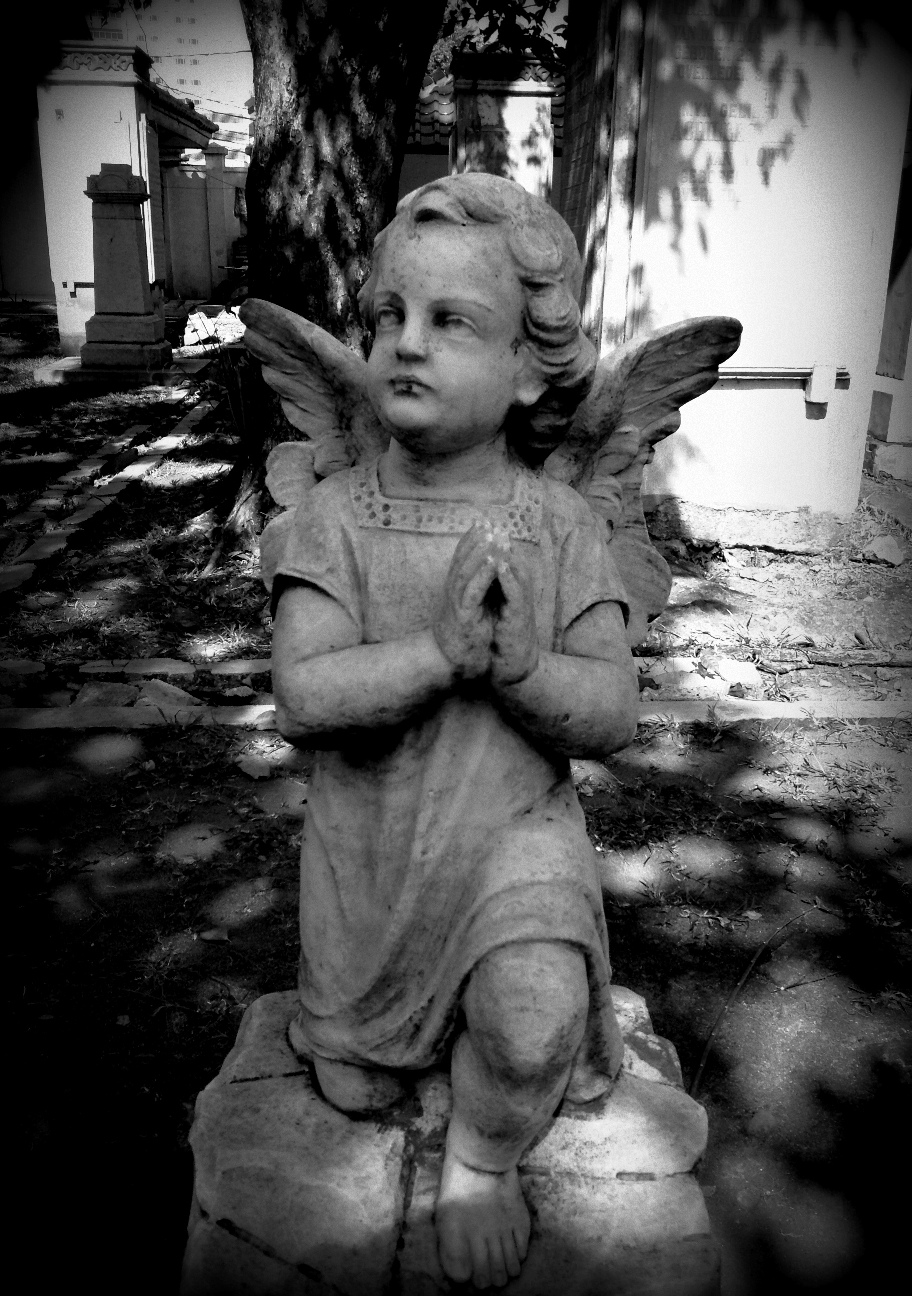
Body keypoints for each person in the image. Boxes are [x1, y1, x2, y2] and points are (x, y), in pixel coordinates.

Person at [267, 174, 640, 1290]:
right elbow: (303, 698)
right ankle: (380, 1031)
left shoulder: (557, 523)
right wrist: (437, 656)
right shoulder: (335, 517)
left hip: (514, 839)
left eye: (452, 321)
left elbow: (613, 713)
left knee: (529, 1028)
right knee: (353, 1087)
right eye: (389, 315)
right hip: (372, 855)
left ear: (530, 367)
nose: (408, 343)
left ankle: (480, 1161)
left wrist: (524, 671)